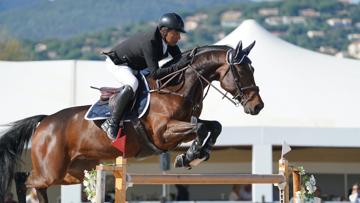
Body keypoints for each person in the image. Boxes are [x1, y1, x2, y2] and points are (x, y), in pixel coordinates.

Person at [101, 12, 188, 140]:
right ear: (165, 31)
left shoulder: (168, 42)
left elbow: (179, 59)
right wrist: (179, 66)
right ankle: (112, 122)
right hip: (119, 64)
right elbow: (155, 73)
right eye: (176, 33)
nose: (179, 37)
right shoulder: (150, 42)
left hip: (136, 66)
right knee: (132, 83)